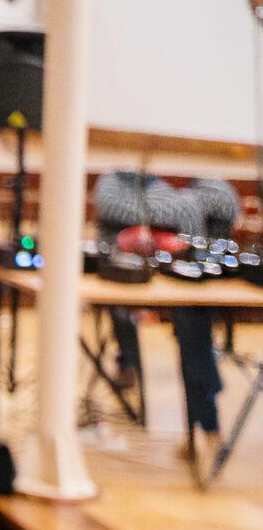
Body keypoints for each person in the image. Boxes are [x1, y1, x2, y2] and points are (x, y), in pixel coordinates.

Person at [93, 169, 235, 448]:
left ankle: (206, 428)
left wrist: (167, 214)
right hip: (127, 278)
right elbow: (110, 208)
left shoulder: (185, 186)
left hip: (181, 279)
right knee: (123, 313)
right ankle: (128, 366)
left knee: (193, 330)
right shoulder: (113, 183)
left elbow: (208, 214)